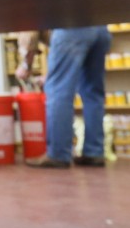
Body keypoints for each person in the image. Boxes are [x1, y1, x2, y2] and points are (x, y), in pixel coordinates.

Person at [16, 27, 112, 168]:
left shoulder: (24, 8)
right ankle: (94, 152)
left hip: (71, 26)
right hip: (101, 30)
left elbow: (29, 32)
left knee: (57, 91)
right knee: (92, 93)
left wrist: (25, 66)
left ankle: (58, 154)